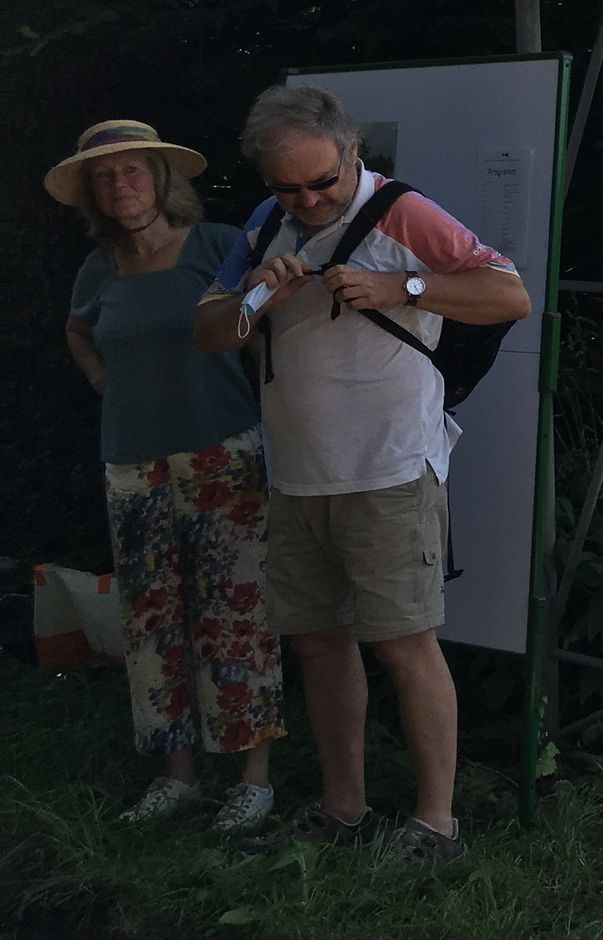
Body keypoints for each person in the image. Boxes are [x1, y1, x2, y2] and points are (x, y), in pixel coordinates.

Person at [194, 86, 528, 860]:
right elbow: (209, 332)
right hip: (298, 474)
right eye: (290, 188)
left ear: (353, 155)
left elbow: (510, 294)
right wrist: (256, 292)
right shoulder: (263, 223)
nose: (309, 201)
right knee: (318, 644)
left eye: (324, 182)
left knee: (406, 644)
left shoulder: (404, 213)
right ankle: (344, 810)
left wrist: (401, 286)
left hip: (390, 468)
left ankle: (436, 825)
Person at [51, 119, 282, 834]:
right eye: (105, 176)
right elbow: (78, 328)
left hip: (223, 453)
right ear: (93, 193)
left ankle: (253, 779)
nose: (121, 185)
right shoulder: (100, 267)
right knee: (152, 620)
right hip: (132, 462)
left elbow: (268, 317)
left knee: (237, 614)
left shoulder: (218, 246)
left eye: (133, 171)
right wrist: (97, 376)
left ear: (160, 177)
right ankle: (177, 775)